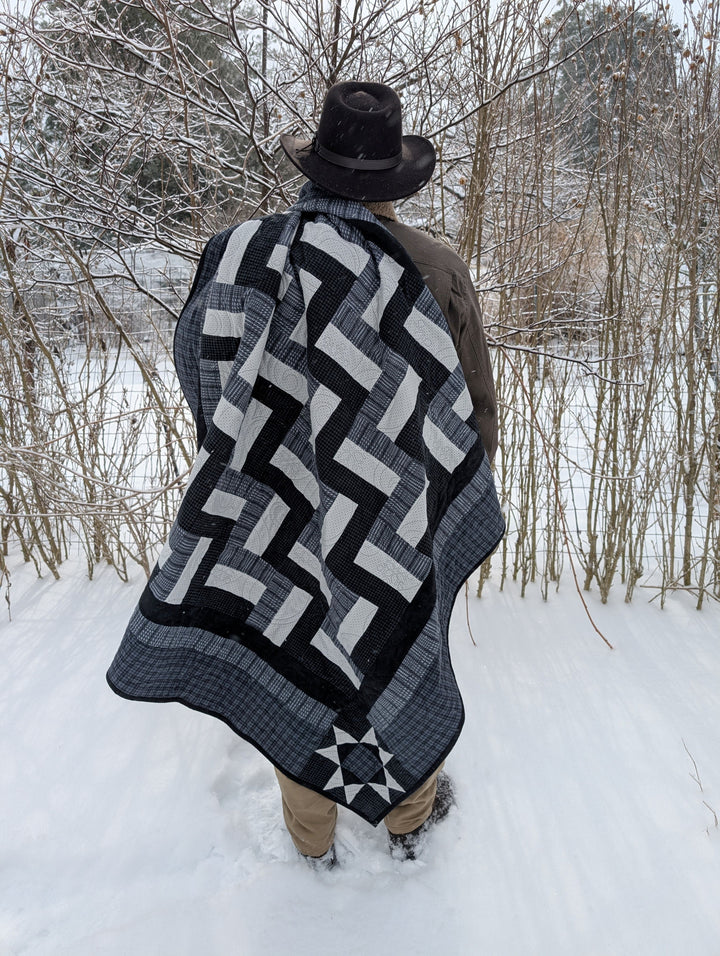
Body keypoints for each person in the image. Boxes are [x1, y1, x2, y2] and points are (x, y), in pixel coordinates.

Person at [107, 81, 504, 869]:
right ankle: (407, 820)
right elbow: (473, 414)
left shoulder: (237, 257)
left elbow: (202, 370)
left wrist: (260, 463)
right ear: (395, 182)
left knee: (297, 655)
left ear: (315, 168)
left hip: (267, 512)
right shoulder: (430, 270)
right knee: (399, 653)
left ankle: (311, 837)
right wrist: (441, 496)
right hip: (396, 523)